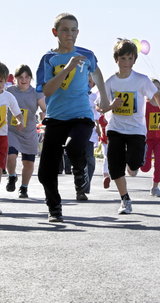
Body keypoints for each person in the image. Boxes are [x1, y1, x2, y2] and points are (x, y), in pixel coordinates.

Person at [35, 13, 109, 222]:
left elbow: (97, 73)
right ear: (55, 33)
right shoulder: (48, 59)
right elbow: (47, 90)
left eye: (74, 29)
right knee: (45, 172)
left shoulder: (86, 55)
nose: (70, 34)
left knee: (75, 147)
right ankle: (54, 207)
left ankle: (80, 171)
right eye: (65, 30)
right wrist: (67, 68)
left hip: (81, 115)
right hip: (56, 117)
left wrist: (104, 97)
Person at [102, 39, 160, 215]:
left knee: (134, 166)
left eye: (130, 58)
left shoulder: (141, 80)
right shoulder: (110, 82)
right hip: (115, 128)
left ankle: (134, 162)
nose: (126, 62)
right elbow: (100, 107)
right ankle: (125, 199)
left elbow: (158, 96)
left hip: (136, 130)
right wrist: (111, 106)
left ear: (134, 60)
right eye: (123, 58)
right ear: (116, 59)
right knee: (115, 167)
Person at [6, 65, 46, 198]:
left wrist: (43, 114)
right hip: (12, 130)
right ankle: (12, 176)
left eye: (27, 77)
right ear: (15, 78)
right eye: (20, 77)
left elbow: (44, 108)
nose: (24, 80)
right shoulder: (9, 91)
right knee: (10, 155)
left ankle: (24, 187)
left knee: (28, 162)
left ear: (30, 78)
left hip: (29, 132)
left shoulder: (36, 93)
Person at [0, 62, 24, 213]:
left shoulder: (8, 96)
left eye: (0, 81)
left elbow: (17, 112)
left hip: (2, 137)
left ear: (4, 81)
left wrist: (20, 121)